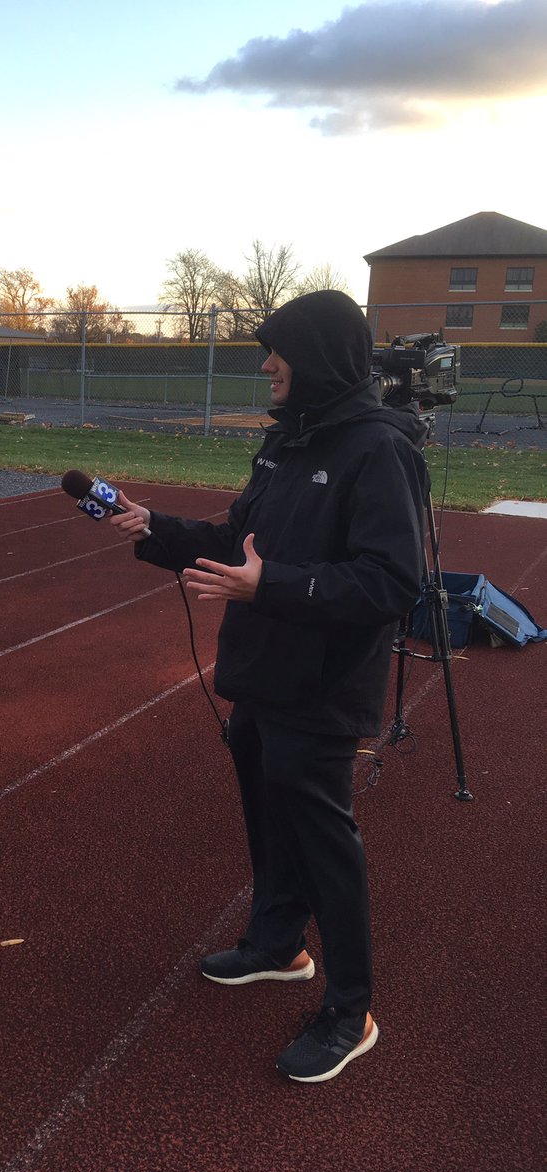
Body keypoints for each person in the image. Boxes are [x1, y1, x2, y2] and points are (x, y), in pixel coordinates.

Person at [111, 290, 429, 1083]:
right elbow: (234, 541)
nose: (265, 366)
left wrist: (273, 588)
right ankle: (277, 943)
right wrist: (153, 528)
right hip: (261, 672)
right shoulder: (288, 443)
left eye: (277, 351)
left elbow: (391, 583)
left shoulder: (379, 449)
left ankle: (349, 1010)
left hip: (322, 685)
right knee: (266, 812)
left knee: (324, 841)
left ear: (316, 356)